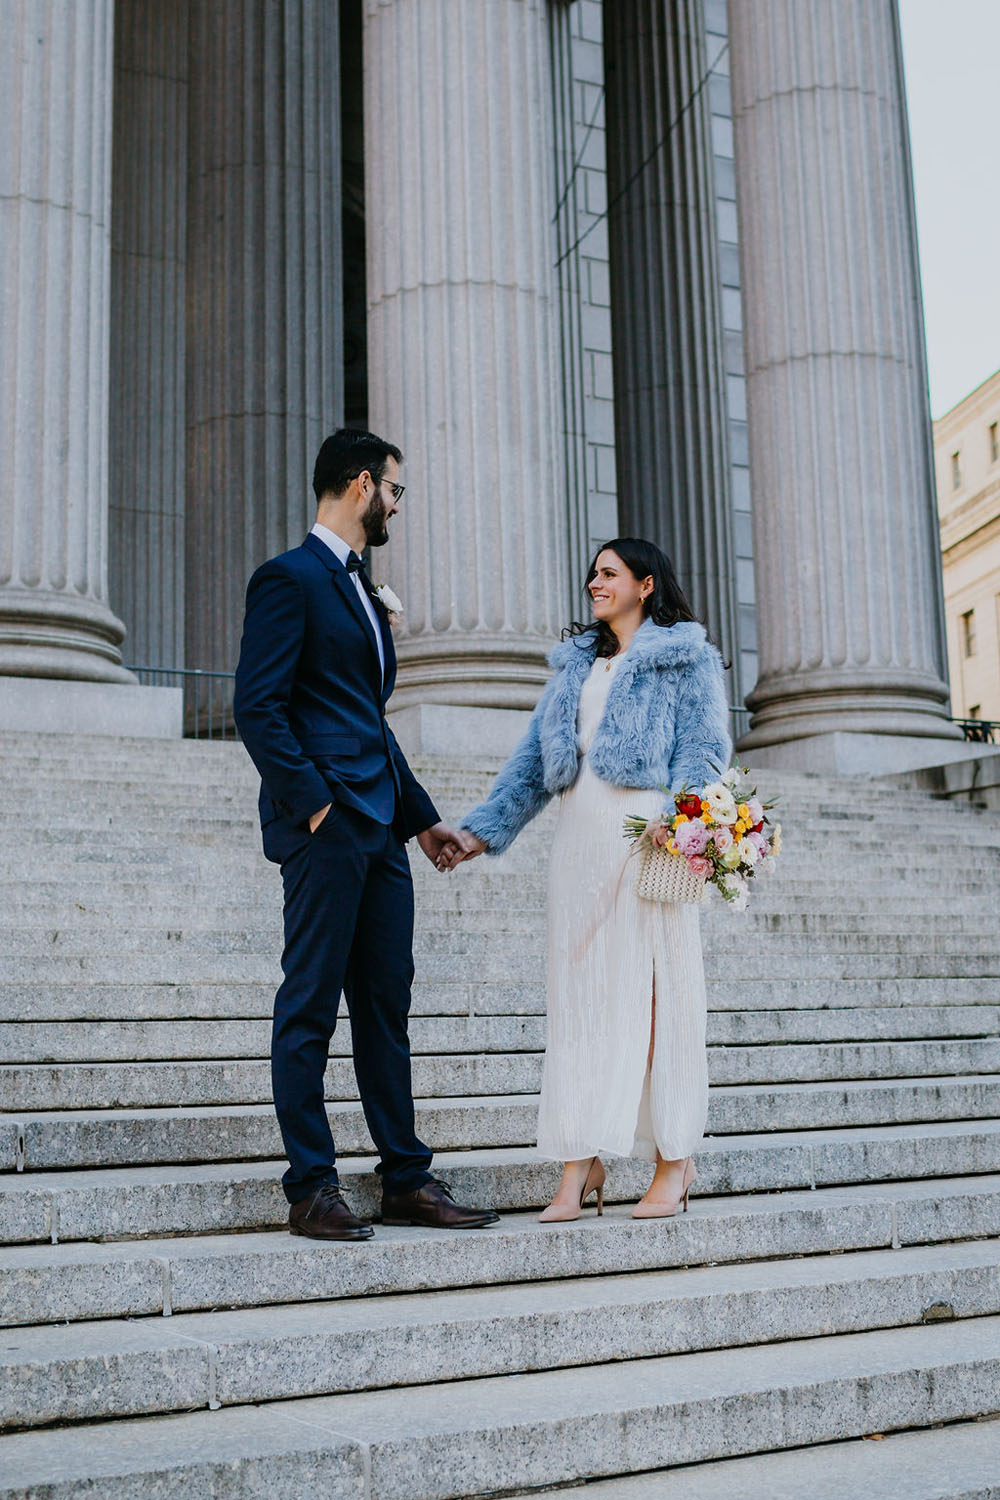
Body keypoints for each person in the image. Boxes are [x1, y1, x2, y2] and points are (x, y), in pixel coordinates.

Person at [233, 429, 497, 1240]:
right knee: (309, 1004)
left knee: (386, 1007)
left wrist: (421, 821)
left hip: (381, 827)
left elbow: (368, 722)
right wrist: (315, 806)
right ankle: (311, 1187)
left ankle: (406, 1179)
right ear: (359, 486)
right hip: (327, 827)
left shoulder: (362, 588)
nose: (396, 504)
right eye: (394, 489)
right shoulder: (290, 579)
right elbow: (258, 706)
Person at [453, 539, 731, 1220]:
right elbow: (533, 762)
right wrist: (480, 830)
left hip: (647, 840)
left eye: (608, 573)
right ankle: (580, 1164)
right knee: (581, 1004)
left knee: (657, 999)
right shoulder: (576, 667)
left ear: (644, 583)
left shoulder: (684, 657)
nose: (593, 582)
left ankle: (675, 1160)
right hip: (578, 844)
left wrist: (682, 819)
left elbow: (703, 747)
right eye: (592, 573)